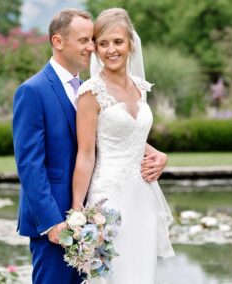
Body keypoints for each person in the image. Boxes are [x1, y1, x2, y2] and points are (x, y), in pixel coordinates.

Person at [12, 8, 168, 284]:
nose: (92, 47)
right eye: (86, 40)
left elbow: (111, 135)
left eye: (90, 40)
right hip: (58, 217)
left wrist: (156, 154)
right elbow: (29, 166)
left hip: (97, 212)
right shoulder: (33, 90)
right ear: (58, 42)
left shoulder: (88, 87)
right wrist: (53, 222)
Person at [72, 8, 175, 284]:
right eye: (103, 43)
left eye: (117, 42)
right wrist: (77, 211)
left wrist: (159, 155)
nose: (111, 50)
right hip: (109, 200)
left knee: (141, 275)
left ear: (130, 43)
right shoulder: (91, 93)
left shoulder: (140, 88)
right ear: (95, 48)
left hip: (143, 197)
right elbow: (85, 154)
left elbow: (132, 137)